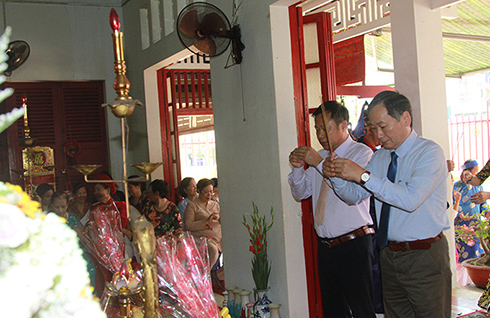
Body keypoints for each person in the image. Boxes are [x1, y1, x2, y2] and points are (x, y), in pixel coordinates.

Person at [322, 91, 451, 317]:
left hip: (424, 255)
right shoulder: (381, 157)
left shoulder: (429, 153)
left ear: (405, 119)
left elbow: (410, 199)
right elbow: (354, 196)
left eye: (383, 126)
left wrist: (362, 175)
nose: (378, 134)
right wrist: (335, 175)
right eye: (373, 128)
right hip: (390, 255)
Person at [288, 101, 375, 318]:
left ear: (343, 125)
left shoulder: (361, 154)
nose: (320, 134)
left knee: (362, 308)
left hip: (353, 244)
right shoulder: (320, 155)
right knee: (334, 310)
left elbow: (351, 195)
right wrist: (298, 170)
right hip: (326, 247)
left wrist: (318, 163)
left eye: (324, 128)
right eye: (316, 129)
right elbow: (301, 194)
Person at [49, 191, 97, 291]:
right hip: (56, 257)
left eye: (63, 206)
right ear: (51, 206)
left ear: (67, 205)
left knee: (89, 266)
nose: (60, 210)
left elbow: (83, 238)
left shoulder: (72, 218)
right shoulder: (48, 221)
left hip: (75, 253)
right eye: (57, 207)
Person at [184, 178, 222, 269]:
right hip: (202, 238)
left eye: (211, 192)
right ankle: (206, 274)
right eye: (206, 192)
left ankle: (219, 274)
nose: (209, 195)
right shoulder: (192, 205)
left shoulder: (215, 204)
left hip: (218, 237)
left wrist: (220, 219)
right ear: (199, 191)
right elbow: (188, 225)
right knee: (212, 250)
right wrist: (205, 221)